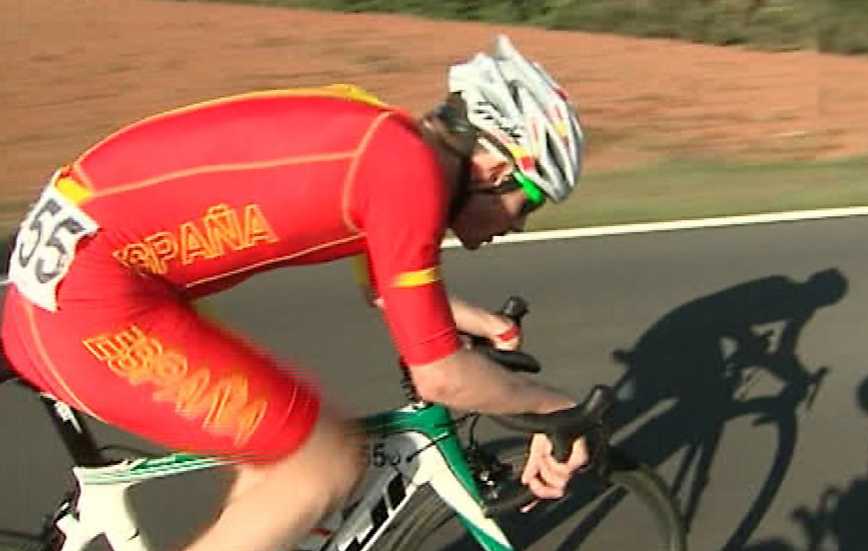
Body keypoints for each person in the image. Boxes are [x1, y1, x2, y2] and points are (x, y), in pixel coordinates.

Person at [2, 35, 587, 550]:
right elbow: (440, 378)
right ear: (495, 168)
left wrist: (482, 325)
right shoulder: (407, 178)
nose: (519, 225)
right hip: (89, 305)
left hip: (79, 280)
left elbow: (384, 283)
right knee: (318, 464)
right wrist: (556, 409)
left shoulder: (383, 140)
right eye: (529, 202)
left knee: (279, 459)